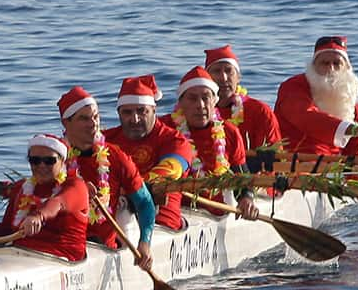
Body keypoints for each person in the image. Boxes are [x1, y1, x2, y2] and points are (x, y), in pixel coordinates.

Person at [57, 86, 156, 269]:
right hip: (65, 248)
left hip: (102, 249)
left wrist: (145, 242)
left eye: (95, 117)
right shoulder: (53, 158)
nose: (92, 123)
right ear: (66, 123)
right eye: (84, 119)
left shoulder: (115, 156)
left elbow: (144, 203)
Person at [0, 134, 88, 261]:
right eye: (35, 160)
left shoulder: (76, 186)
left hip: (61, 259)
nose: (42, 166)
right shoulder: (22, 189)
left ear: (62, 162)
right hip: (21, 257)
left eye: (49, 161)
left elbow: (58, 203)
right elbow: (7, 229)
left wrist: (38, 216)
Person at [160, 66, 258, 220]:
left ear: (214, 101)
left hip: (215, 216)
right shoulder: (164, 129)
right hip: (177, 213)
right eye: (193, 98)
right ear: (181, 103)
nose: (200, 105)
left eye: (206, 98)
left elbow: (241, 175)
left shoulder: (229, 132)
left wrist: (247, 198)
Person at [103, 75, 194, 231]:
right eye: (127, 112)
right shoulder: (106, 140)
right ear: (118, 113)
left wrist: (130, 189)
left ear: (154, 110)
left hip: (161, 222)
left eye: (141, 111)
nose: (135, 119)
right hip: (112, 218)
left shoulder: (174, 140)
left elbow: (171, 169)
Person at [274, 35, 358, 156]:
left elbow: (355, 154)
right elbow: (307, 117)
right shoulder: (294, 87)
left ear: (346, 68)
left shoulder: (353, 107)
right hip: (291, 162)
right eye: (324, 63)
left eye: (337, 63)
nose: (331, 69)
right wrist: (354, 130)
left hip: (332, 168)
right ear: (313, 66)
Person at [203, 44, 281, 152]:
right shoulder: (199, 112)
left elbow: (275, 155)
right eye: (216, 71)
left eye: (228, 71)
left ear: (238, 77)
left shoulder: (259, 111)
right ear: (207, 78)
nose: (223, 78)